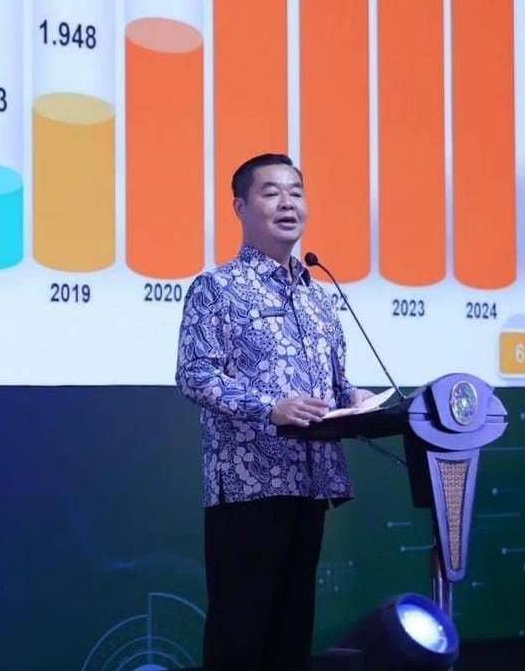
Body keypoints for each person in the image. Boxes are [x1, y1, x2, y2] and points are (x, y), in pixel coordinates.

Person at [175, 153, 372, 670]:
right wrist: (271, 408)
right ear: (240, 207)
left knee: (291, 635)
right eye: (271, 192)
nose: (288, 203)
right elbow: (194, 375)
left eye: (296, 192)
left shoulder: (320, 298)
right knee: (242, 634)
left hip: (311, 483)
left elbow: (334, 383)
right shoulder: (217, 288)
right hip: (249, 487)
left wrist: (354, 398)